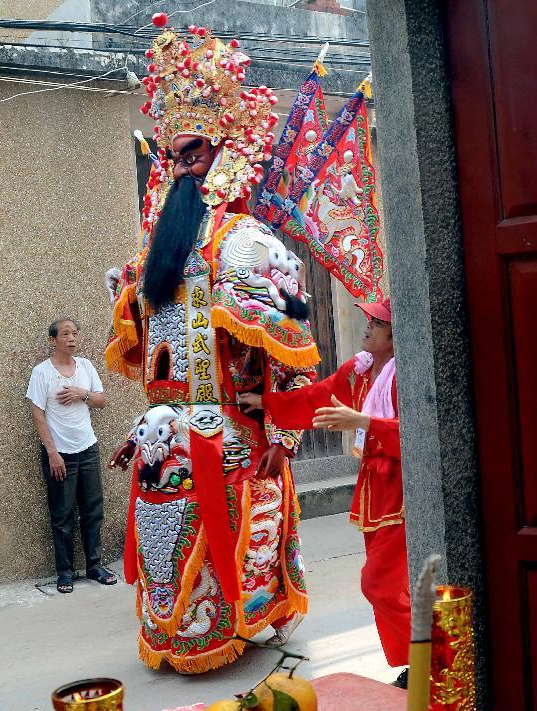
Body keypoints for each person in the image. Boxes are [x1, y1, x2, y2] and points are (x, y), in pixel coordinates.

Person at [104, 21, 320, 673]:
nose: (180, 168)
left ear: (224, 155)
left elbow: (290, 350)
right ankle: (173, 632)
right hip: (164, 423)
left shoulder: (247, 243)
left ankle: (234, 623)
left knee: (217, 497)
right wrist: (127, 292)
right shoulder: (155, 252)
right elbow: (143, 349)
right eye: (174, 157)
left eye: (193, 154)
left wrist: (281, 439)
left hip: (231, 421)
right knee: (159, 499)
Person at [240, 296, 410, 683]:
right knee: (391, 586)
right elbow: (317, 397)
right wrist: (266, 403)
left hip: (404, 493)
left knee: (380, 584)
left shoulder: (407, 373)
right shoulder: (361, 371)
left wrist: (363, 420)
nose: (367, 325)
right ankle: (418, 664)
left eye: (377, 322)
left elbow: (417, 435)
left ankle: (431, 659)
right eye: (369, 319)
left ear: (396, 335)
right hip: (377, 491)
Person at [27, 318, 118, 594]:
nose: (71, 338)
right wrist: (52, 453)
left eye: (75, 333)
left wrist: (82, 393)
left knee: (93, 511)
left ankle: (94, 566)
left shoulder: (86, 367)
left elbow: (101, 400)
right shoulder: (42, 373)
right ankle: (64, 572)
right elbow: (37, 414)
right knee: (62, 515)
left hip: (87, 448)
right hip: (60, 454)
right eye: (65, 334)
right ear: (53, 340)